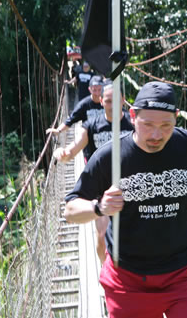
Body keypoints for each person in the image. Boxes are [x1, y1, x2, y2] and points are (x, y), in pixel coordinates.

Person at [64, 81, 187, 318]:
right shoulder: (111, 155)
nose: (156, 135)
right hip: (128, 279)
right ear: (132, 116)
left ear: (176, 118)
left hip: (182, 273)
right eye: (147, 124)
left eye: (166, 125)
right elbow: (70, 210)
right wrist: (99, 207)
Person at [53, 82, 134, 263]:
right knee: (102, 236)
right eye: (108, 101)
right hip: (102, 188)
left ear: (123, 100)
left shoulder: (133, 124)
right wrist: (63, 154)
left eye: (116, 100)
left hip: (131, 185)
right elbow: (73, 150)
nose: (112, 105)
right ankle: (106, 271)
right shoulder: (91, 125)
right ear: (101, 101)